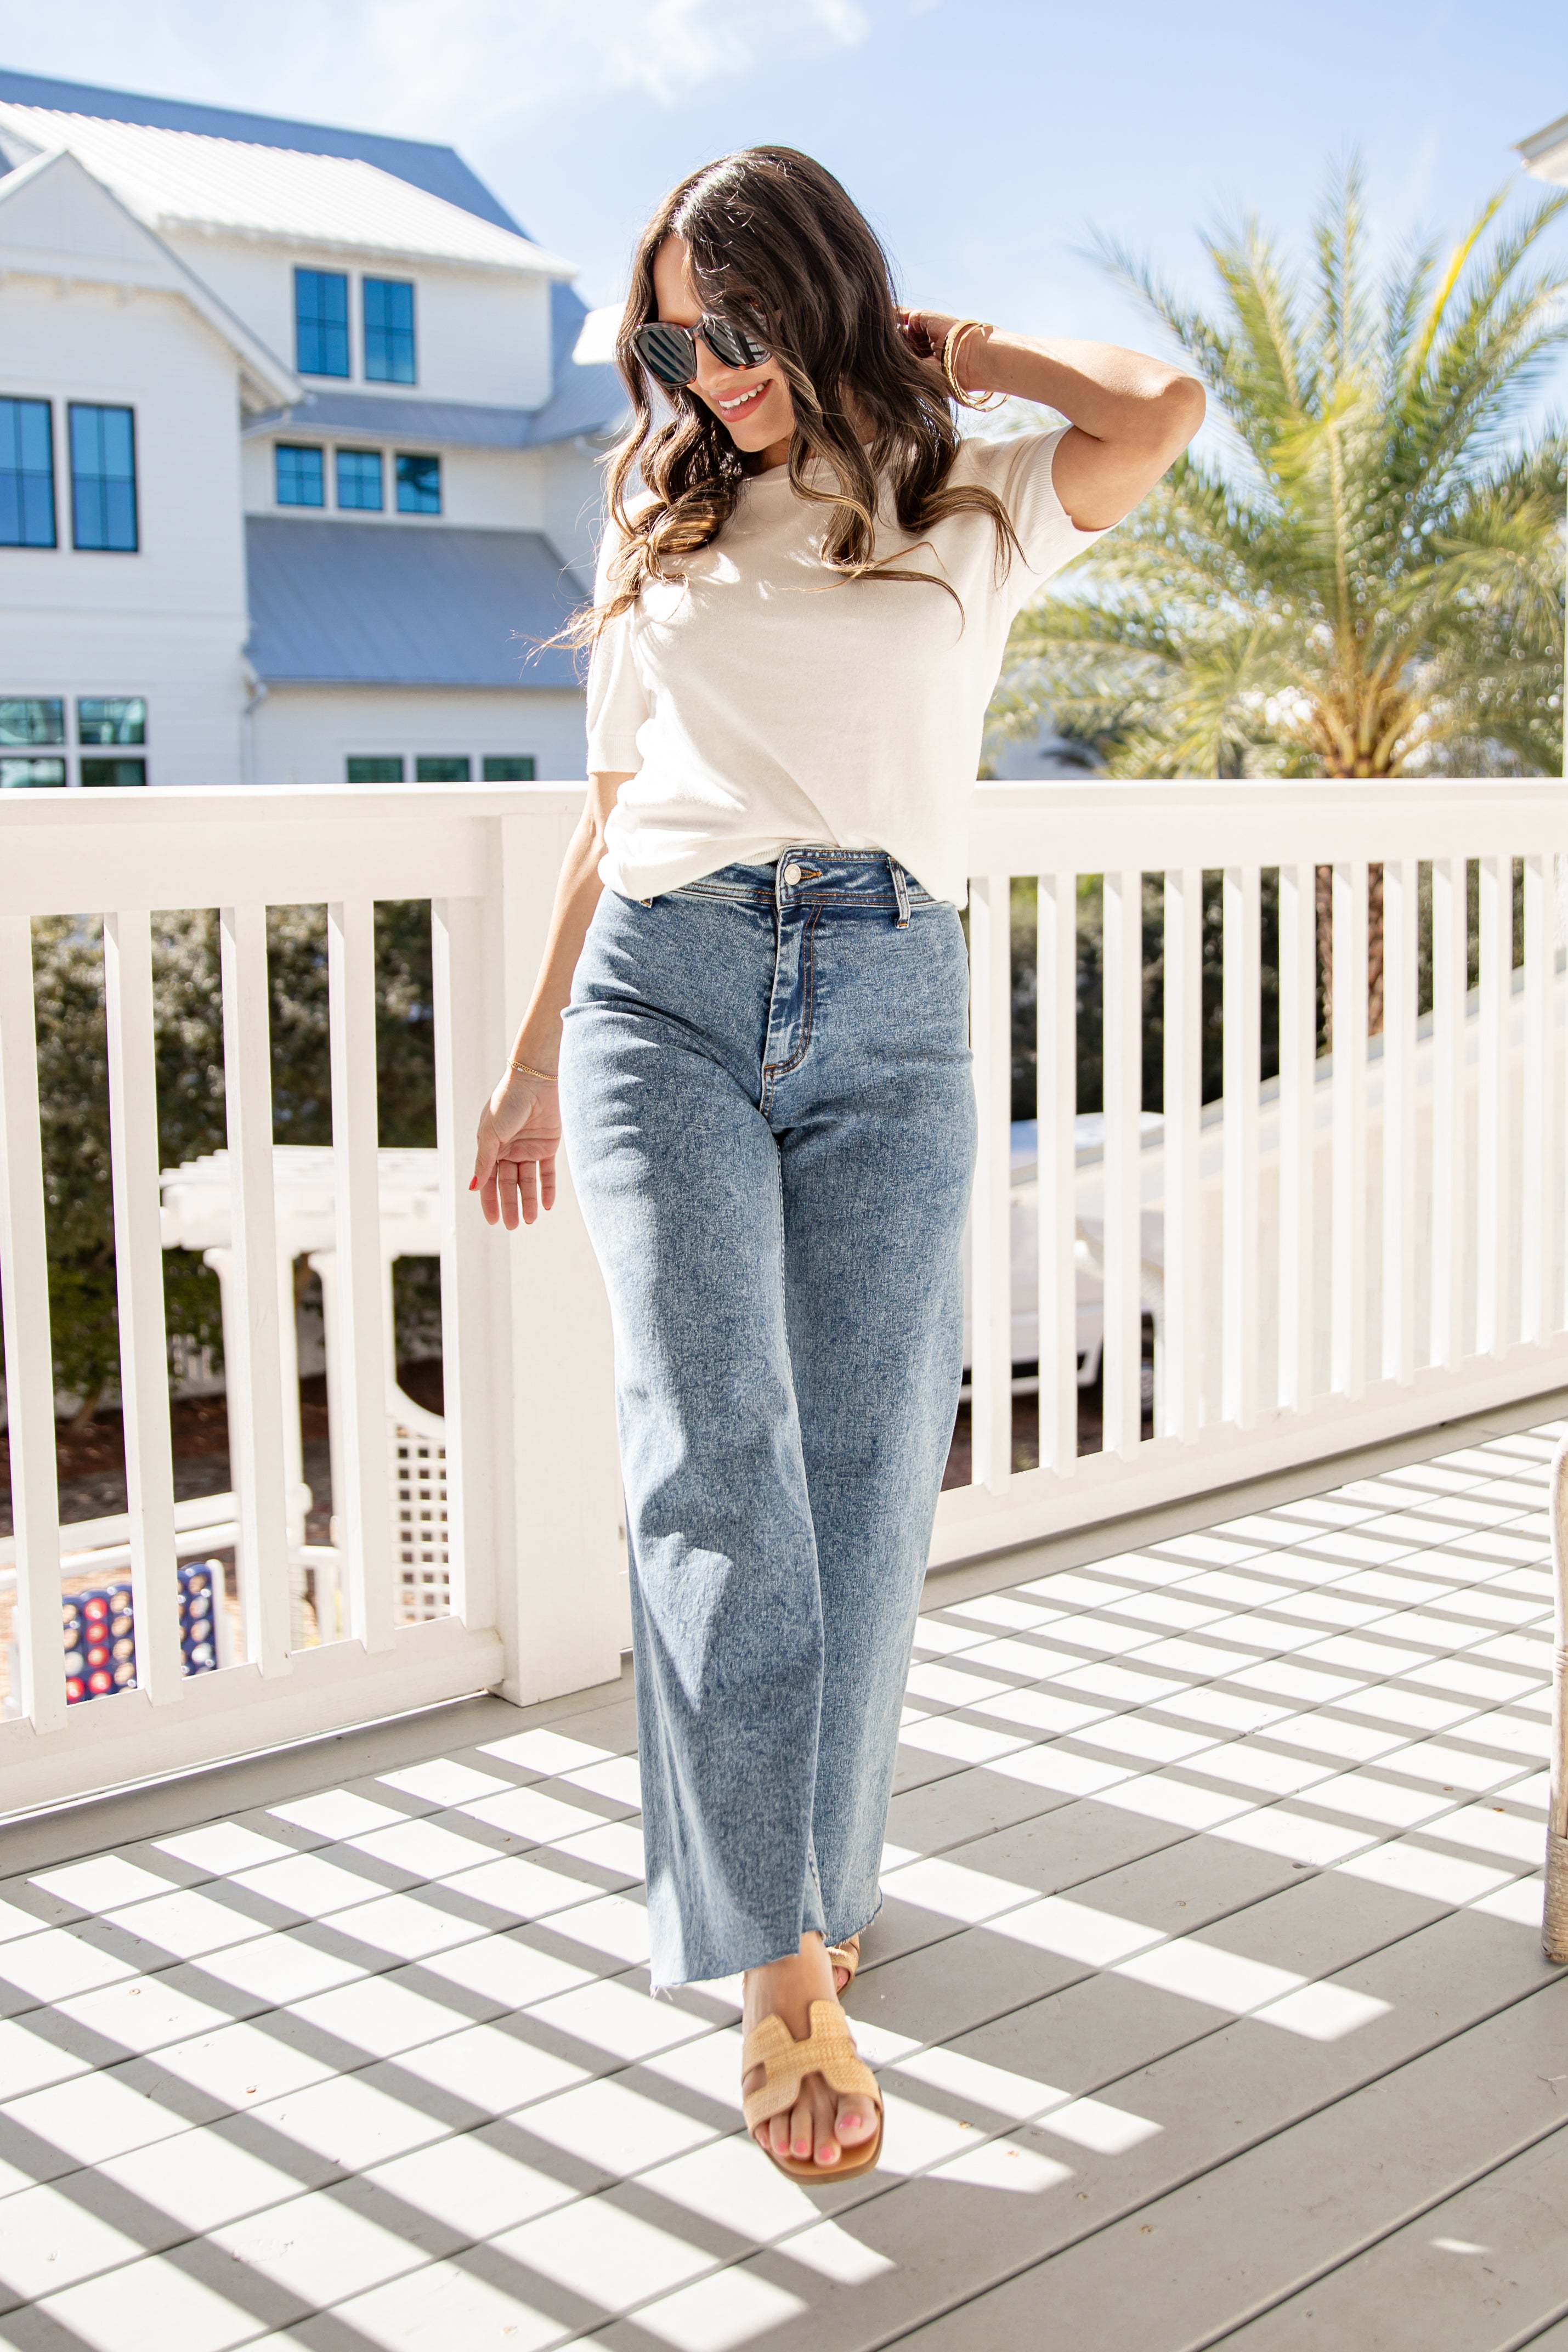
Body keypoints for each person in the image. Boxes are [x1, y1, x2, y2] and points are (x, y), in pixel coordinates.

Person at [472, 146, 1202, 2183]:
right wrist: (533, 1059)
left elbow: (1158, 410)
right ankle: (781, 1972)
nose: (702, 372)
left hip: (890, 993)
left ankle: (814, 1879)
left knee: (872, 1465)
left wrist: (932, 349)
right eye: (666, 342)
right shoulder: (659, 498)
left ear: (820, 296)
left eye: (733, 325)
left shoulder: (964, 491)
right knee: (712, 1448)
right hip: (663, 998)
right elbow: (616, 808)